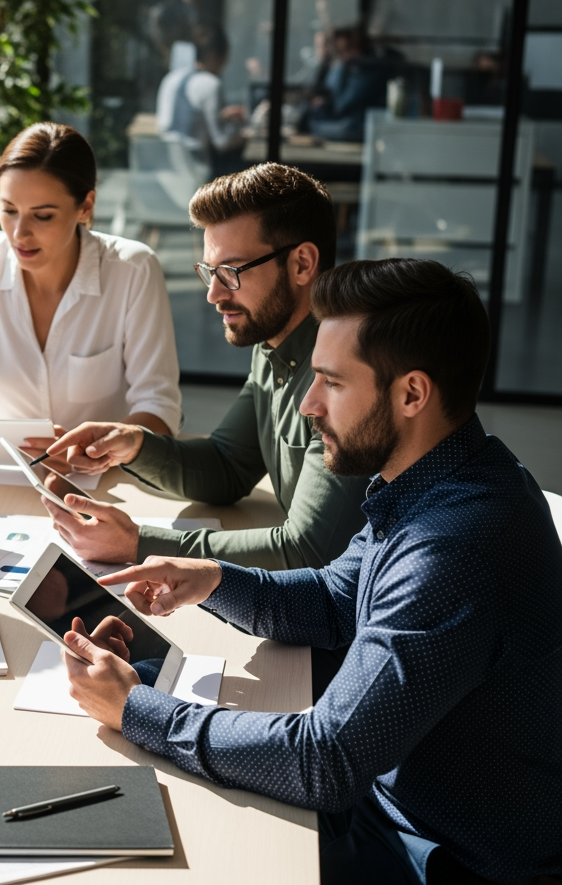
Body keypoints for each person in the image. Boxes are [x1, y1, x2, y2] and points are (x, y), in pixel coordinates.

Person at [62, 258, 562, 883]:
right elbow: (334, 601)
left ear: (412, 393)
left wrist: (138, 710)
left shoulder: (455, 544)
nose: (308, 404)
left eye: (331, 381)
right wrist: (212, 579)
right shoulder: (437, 478)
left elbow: (325, 761)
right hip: (386, 806)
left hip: (436, 856)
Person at [44, 164, 370, 572]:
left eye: (231, 272)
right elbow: (228, 466)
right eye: (209, 272)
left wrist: (139, 544)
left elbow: (307, 552)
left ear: (302, 264)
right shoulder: (274, 345)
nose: (214, 294)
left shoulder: (345, 374)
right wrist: (133, 443)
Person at [0, 122, 182, 461]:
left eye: (43, 216)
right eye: (8, 210)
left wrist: (107, 449)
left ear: (86, 207)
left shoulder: (133, 270)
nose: (20, 234)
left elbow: (159, 405)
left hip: (102, 480)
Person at [155, 25, 248, 179]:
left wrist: (222, 117)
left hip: (167, 167)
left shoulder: (171, 78)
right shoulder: (211, 84)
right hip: (195, 170)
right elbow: (222, 142)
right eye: (225, 59)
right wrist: (248, 135)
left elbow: (179, 122)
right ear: (214, 56)